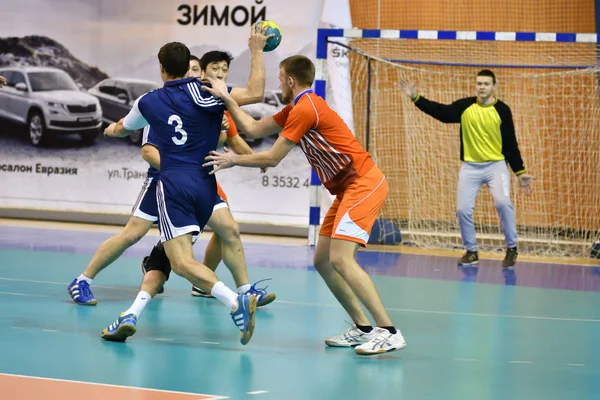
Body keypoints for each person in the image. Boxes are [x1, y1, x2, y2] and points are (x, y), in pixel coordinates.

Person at [203, 55, 407, 355]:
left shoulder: (306, 108)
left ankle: (389, 331)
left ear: (289, 80)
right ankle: (363, 329)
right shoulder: (297, 107)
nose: (278, 82)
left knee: (341, 259)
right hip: (347, 190)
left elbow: (271, 158)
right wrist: (226, 99)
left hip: (364, 182)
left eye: (279, 77)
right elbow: (254, 129)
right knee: (322, 261)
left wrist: (234, 158)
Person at [67, 26, 270, 306]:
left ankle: (245, 290)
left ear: (162, 69)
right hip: (165, 181)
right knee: (134, 234)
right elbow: (148, 151)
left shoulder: (178, 98)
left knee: (229, 228)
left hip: (197, 180)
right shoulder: (174, 100)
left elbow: (122, 128)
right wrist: (256, 51)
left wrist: (111, 130)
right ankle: (83, 279)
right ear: (187, 68)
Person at [400, 70, 535, 268]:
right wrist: (416, 98)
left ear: (494, 87)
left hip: (496, 166)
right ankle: (471, 252)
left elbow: (510, 143)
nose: (482, 87)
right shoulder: (465, 106)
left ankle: (512, 248)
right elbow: (443, 113)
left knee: (503, 203)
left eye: (486, 84)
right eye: (479, 83)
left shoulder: (503, 110)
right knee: (462, 209)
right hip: (470, 167)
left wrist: (520, 172)